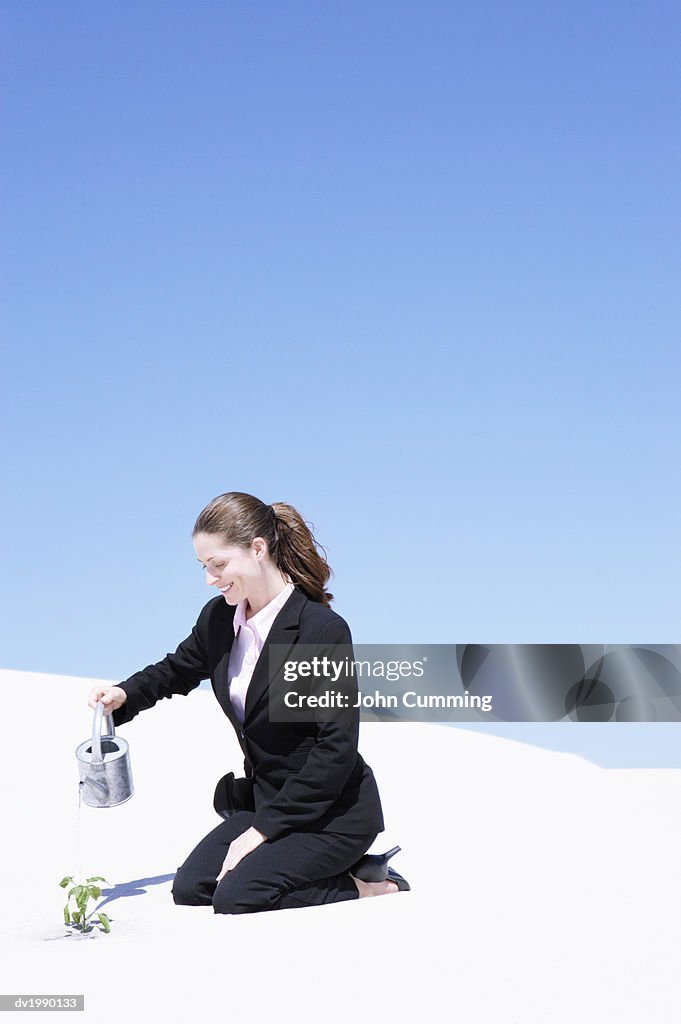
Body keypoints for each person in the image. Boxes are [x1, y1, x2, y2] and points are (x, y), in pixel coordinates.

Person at [88, 491, 410, 915]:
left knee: (239, 896)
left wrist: (261, 830)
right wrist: (126, 694)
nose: (210, 578)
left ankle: (370, 883)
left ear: (257, 549)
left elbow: (336, 748)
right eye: (204, 567)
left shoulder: (319, 630)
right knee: (191, 888)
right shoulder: (220, 620)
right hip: (267, 800)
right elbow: (179, 668)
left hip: (331, 812)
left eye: (218, 565)